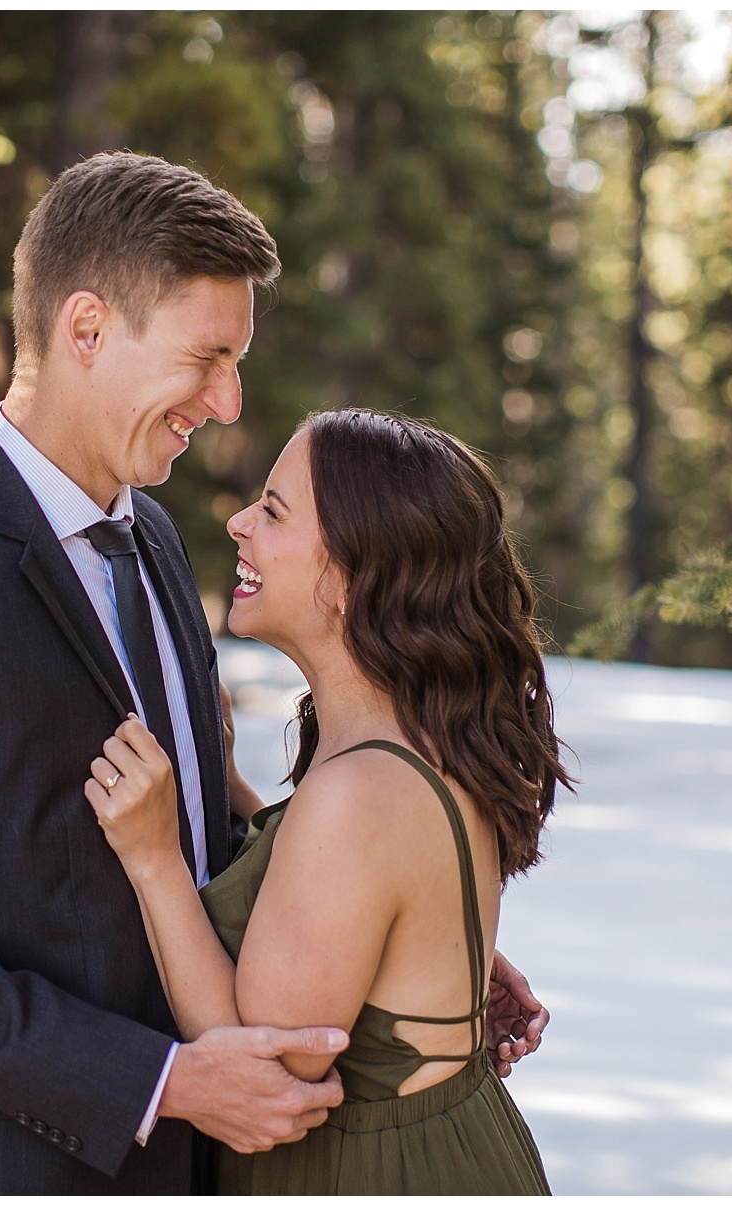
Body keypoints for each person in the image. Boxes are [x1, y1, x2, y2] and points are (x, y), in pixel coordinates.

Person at [0, 153, 548, 1194]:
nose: (230, 401)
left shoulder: (150, 541)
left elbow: (199, 826)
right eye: (207, 357)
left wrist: (398, 953)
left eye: (237, 361)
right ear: (87, 330)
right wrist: (163, 1081)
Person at [83, 408, 567, 1193]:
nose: (239, 523)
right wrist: (231, 784)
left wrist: (152, 858)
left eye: (273, 511)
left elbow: (271, 1067)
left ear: (350, 576)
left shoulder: (356, 794)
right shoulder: (428, 731)